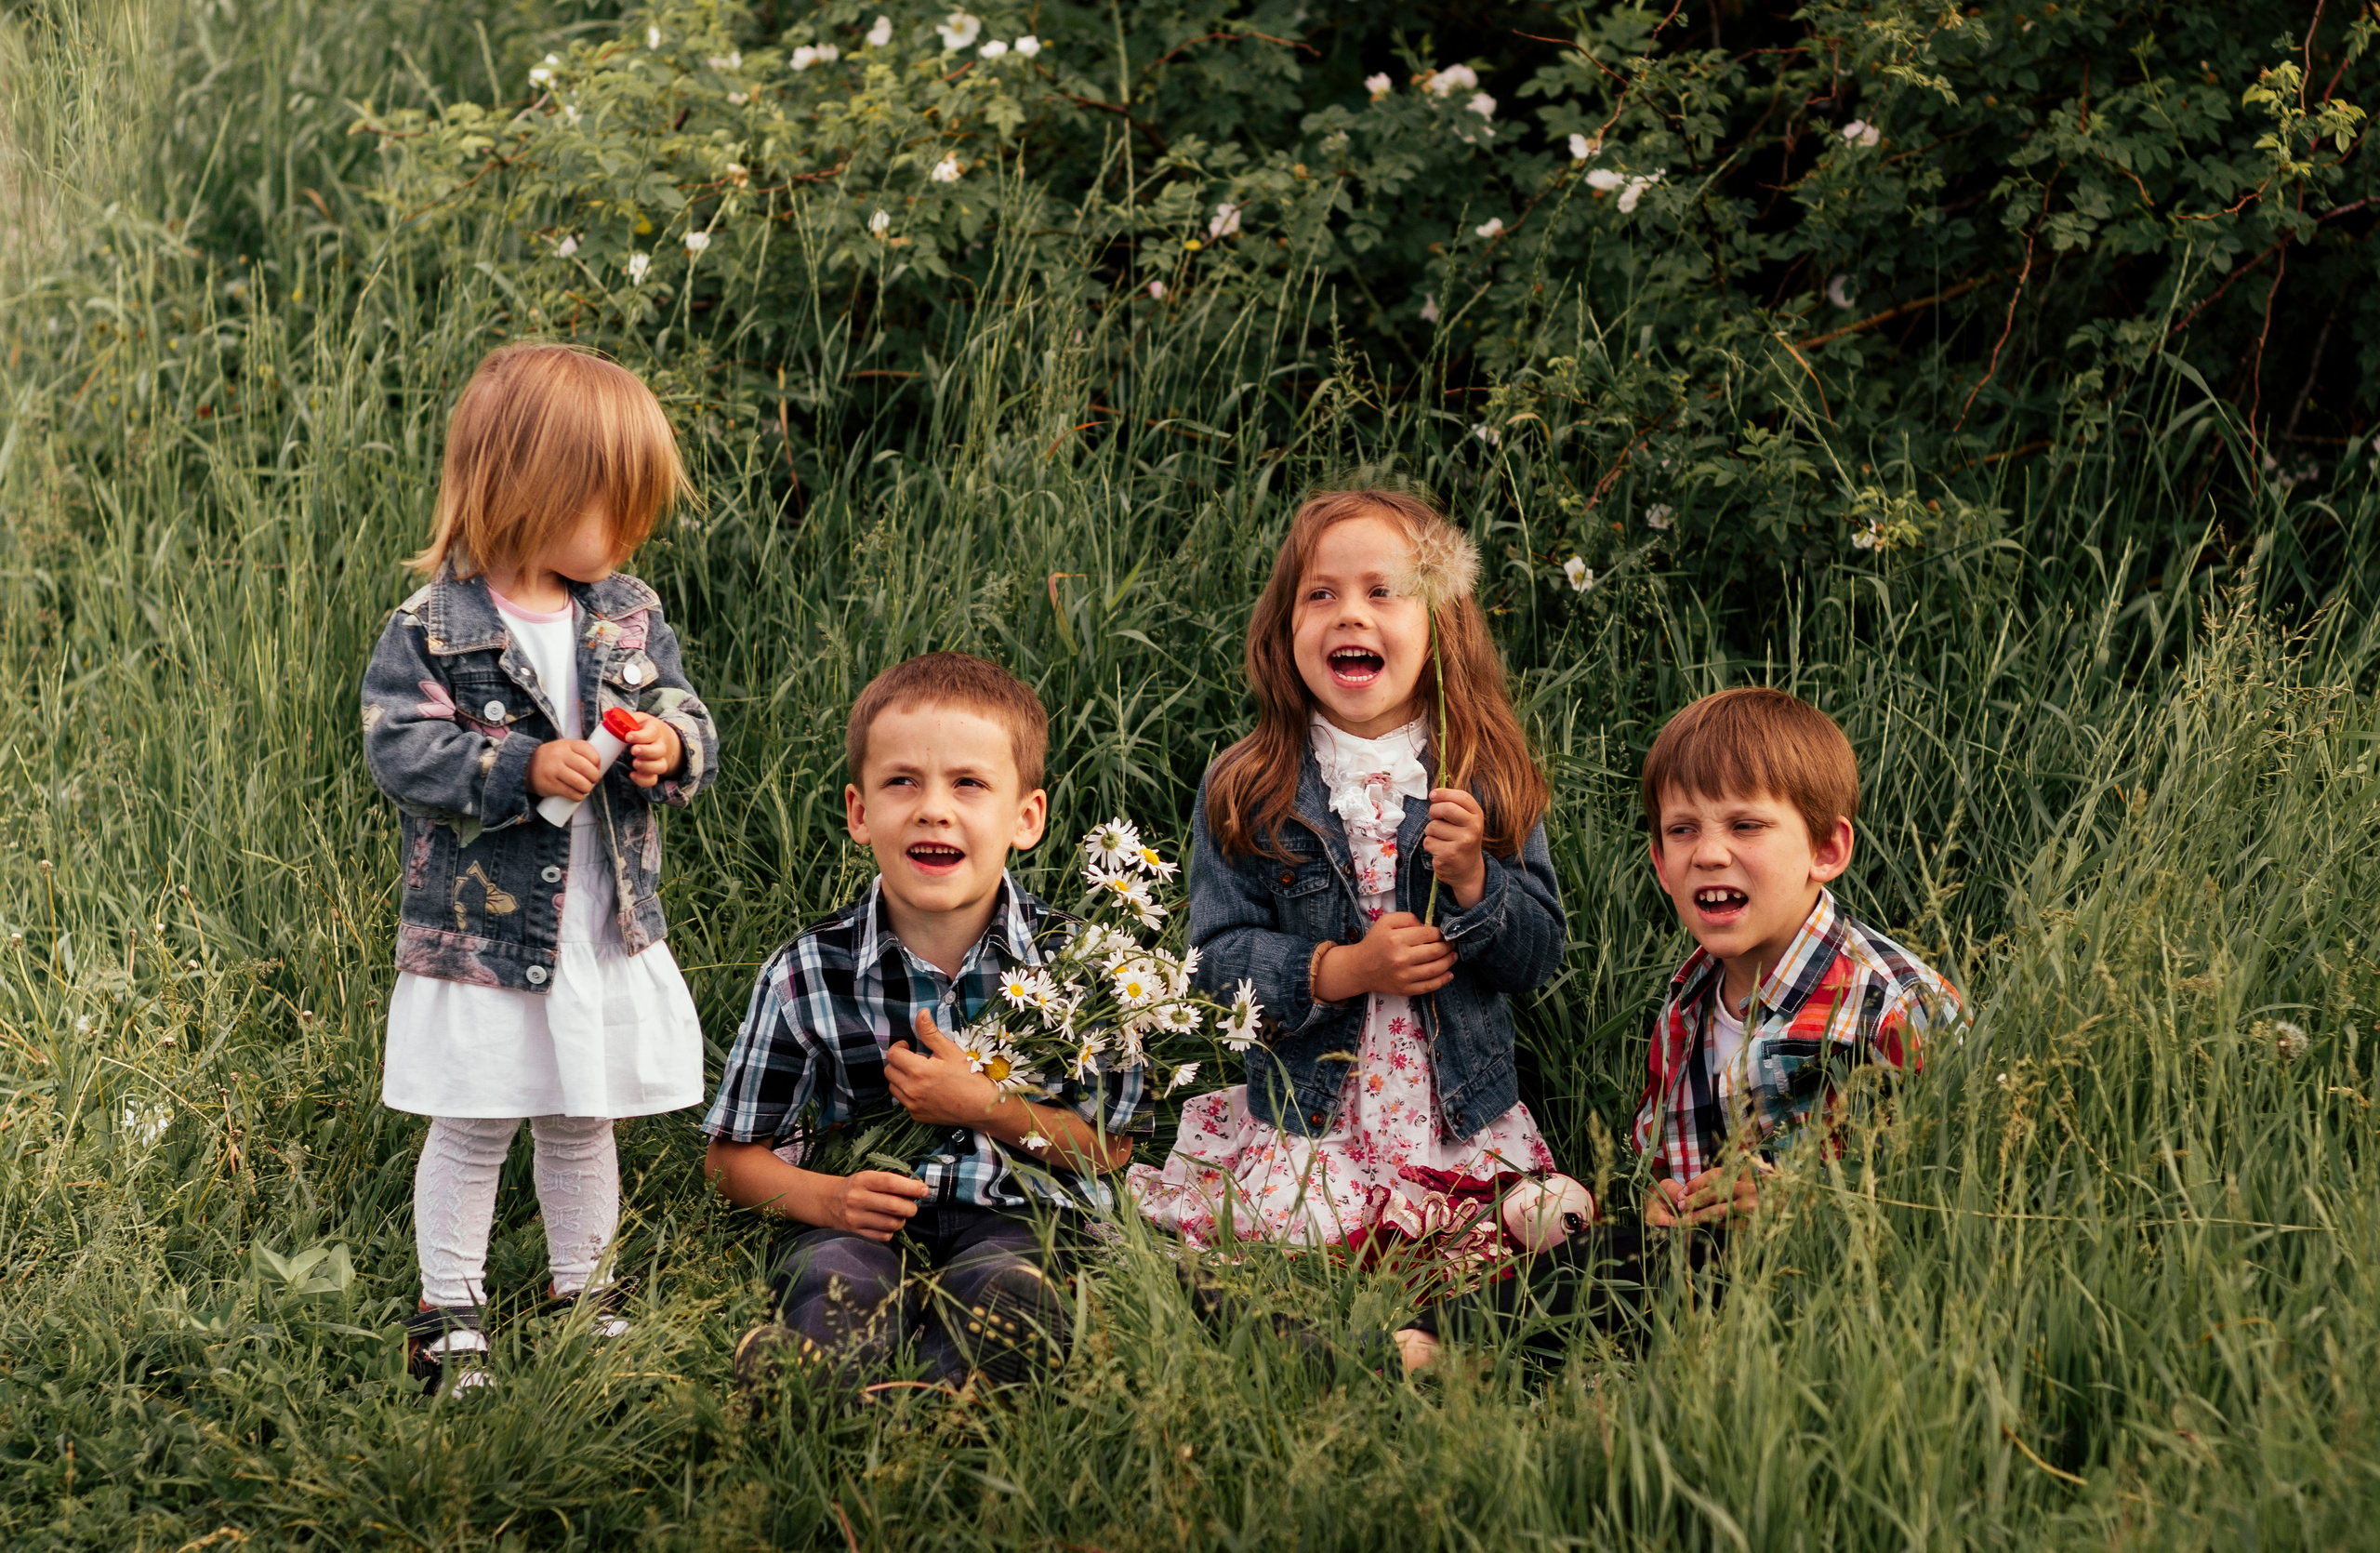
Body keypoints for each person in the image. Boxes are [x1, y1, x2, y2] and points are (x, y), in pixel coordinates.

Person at [1396, 686, 1962, 1371]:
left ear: (1825, 848)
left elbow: (1954, 1181)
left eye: (1746, 826)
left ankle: (1415, 1353)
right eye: (1683, 830)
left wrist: (1802, 1198)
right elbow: (1667, 1161)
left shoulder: (1889, 1003)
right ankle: (1437, 1350)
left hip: (1835, 1287)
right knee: (1611, 1259)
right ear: (1661, 864)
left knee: (1612, 1264)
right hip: (1706, 1279)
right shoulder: (1689, 1001)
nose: (1710, 853)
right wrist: (1663, 1199)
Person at [361, 342, 718, 1394]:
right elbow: (400, 748)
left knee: (581, 1115)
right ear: (534, 490)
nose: (633, 531)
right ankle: (449, 1309)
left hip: (598, 925)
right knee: (475, 1117)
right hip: (484, 928)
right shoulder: (436, 628)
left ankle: (585, 1291)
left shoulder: (623, 610)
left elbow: (681, 708)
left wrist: (669, 746)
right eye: (617, 504)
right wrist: (517, 762)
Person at [1129, 484, 1572, 1263]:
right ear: (1285, 628)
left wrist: (1474, 881)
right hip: (1314, 1113)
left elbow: (1537, 955)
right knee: (1297, 1247)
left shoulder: (1485, 773)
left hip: (1453, 1112)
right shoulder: (1250, 783)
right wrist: (1342, 969)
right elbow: (1215, 963)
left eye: (1383, 592)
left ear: (1442, 626)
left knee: (1493, 1245)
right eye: (1321, 594)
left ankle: (1440, 1315)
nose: (1351, 615)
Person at [706, 653, 1147, 1391]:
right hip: (859, 1214)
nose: (933, 808)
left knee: (1009, 1278)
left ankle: (955, 1391)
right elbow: (729, 1162)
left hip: (1018, 1212)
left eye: (968, 784)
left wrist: (983, 1106)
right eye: (901, 781)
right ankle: (810, 1380)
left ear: (1025, 818)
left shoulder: (1081, 967)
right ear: (859, 812)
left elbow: (1108, 1151)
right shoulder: (806, 974)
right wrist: (830, 1198)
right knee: (834, 1277)